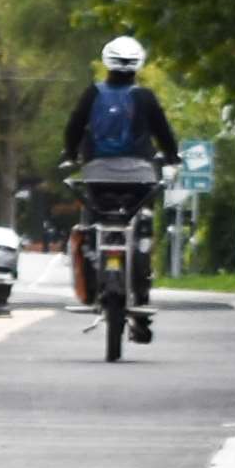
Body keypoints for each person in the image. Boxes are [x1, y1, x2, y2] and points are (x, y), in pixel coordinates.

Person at [66, 36, 180, 341]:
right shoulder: (145, 97)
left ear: (107, 63)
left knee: (94, 220)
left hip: (97, 174)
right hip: (139, 176)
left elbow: (75, 126)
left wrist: (70, 154)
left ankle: (93, 267)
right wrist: (172, 156)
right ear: (137, 66)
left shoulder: (92, 94)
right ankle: (141, 291)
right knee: (142, 225)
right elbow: (163, 132)